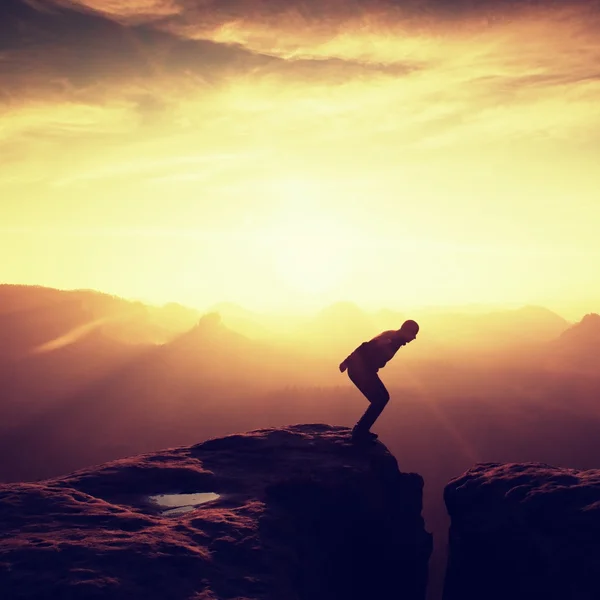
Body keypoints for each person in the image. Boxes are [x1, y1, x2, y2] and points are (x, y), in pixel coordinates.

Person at [339, 320, 419, 443]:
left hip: (366, 371)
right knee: (380, 399)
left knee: (383, 398)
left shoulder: (393, 337)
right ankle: (360, 432)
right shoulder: (390, 340)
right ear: (406, 331)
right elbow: (365, 347)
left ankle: (361, 430)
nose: (413, 338)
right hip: (359, 371)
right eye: (413, 334)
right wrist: (347, 361)